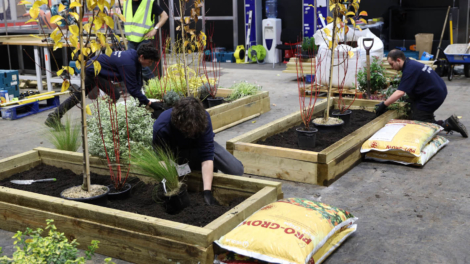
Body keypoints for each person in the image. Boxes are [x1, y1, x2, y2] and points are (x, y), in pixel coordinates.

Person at [153, 97, 244, 205]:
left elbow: (207, 155)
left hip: (201, 148)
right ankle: (193, 168)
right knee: (187, 172)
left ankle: (202, 171)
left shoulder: (203, 117)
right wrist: (171, 184)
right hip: (178, 154)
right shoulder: (162, 127)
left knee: (236, 170)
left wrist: (207, 192)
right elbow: (162, 159)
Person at [45, 44, 163, 128]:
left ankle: (53, 117)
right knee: (114, 94)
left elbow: (137, 81)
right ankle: (103, 121)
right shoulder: (129, 63)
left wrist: (143, 99)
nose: (150, 64)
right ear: (142, 56)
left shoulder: (134, 55)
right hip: (93, 71)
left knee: (79, 96)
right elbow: (132, 89)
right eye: (150, 61)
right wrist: (149, 103)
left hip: (97, 68)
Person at [376, 49, 467, 137]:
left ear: (398, 60)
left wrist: (384, 104)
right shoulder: (410, 64)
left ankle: (447, 124)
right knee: (417, 109)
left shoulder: (409, 70)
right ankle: (429, 117)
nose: (391, 67)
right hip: (437, 89)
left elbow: (400, 92)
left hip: (434, 95)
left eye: (392, 64)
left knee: (419, 122)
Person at [124, 0, 168, 81]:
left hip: (144, 39)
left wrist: (155, 29)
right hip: (131, 40)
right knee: (132, 65)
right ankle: (140, 88)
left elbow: (164, 16)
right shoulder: (127, 3)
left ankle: (155, 85)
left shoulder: (149, 3)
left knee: (141, 64)